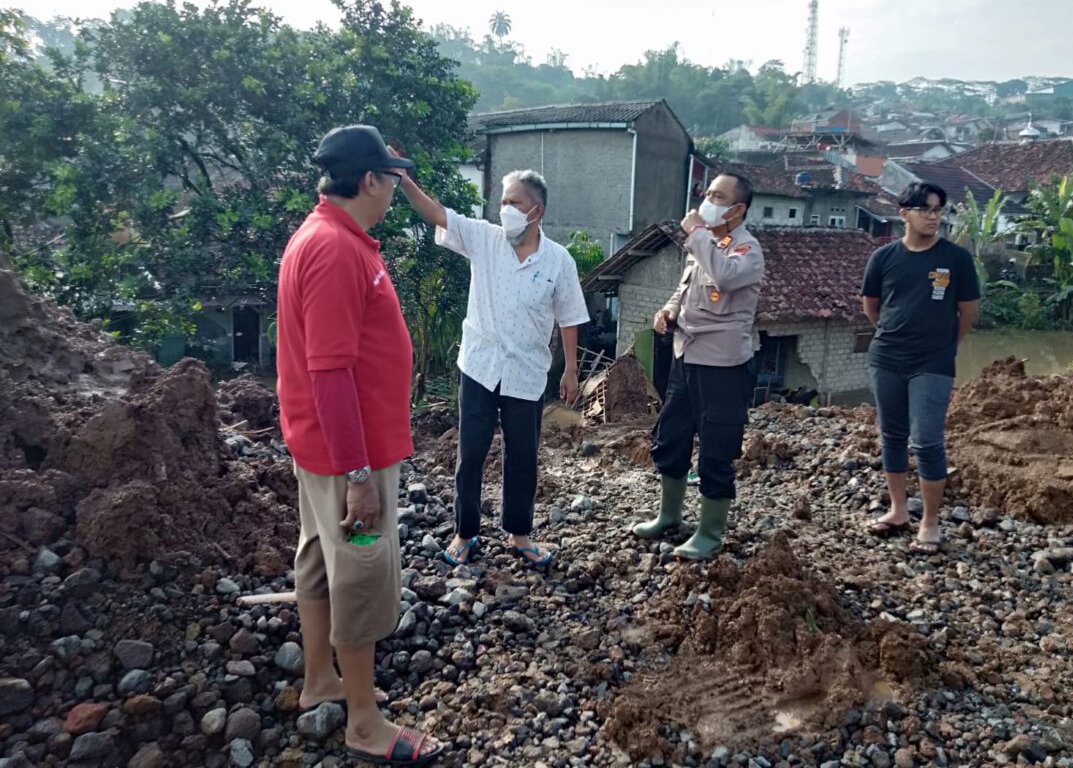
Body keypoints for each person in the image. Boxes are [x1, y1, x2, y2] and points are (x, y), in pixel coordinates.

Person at [276, 124, 441, 765]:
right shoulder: (335, 250)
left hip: (323, 445)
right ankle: (365, 722)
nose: (397, 189)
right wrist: (359, 472)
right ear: (369, 180)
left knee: (319, 557)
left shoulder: (324, 236)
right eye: (392, 178)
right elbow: (331, 369)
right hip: (348, 450)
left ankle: (320, 678)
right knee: (363, 571)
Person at [397, 167, 590, 568]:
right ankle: (464, 532)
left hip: (527, 371)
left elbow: (569, 316)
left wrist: (571, 369)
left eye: (513, 202)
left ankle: (519, 533)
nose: (504, 210)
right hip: (479, 366)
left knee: (522, 455)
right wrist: (404, 181)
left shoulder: (558, 261)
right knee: (471, 451)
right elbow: (438, 215)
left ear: (536, 210)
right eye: (502, 202)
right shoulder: (485, 239)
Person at [633, 172, 764, 559]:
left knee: (716, 447)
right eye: (707, 193)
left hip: (722, 365)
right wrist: (669, 309)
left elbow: (723, 275)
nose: (707, 200)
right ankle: (668, 515)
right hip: (684, 356)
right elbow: (686, 287)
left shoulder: (746, 250)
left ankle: (709, 533)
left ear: (737, 209)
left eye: (718, 196)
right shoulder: (703, 245)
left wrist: (695, 232)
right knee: (671, 435)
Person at [860, 181, 980, 556]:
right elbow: (872, 307)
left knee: (927, 441)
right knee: (892, 436)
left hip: (933, 363)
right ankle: (898, 511)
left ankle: (929, 521)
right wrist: (893, 335)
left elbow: (969, 312)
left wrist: (945, 346)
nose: (933, 217)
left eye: (938, 211)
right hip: (887, 357)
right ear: (904, 214)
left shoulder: (956, 259)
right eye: (926, 210)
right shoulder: (883, 258)